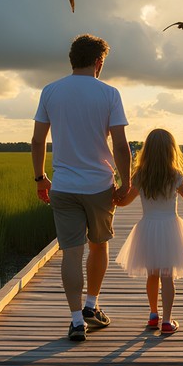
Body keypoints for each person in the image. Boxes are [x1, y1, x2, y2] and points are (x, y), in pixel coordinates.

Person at [31, 33, 132, 342]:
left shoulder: (51, 91)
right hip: (100, 185)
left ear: (72, 60)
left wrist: (40, 178)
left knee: (71, 253)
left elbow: (38, 140)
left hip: (63, 185)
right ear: (99, 62)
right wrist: (127, 182)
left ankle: (76, 321)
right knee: (99, 245)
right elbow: (121, 145)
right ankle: (92, 305)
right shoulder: (109, 93)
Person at [115, 128, 183, 335]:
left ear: (147, 150)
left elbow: (124, 202)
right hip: (170, 228)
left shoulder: (141, 175)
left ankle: (153, 315)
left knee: (152, 275)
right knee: (167, 276)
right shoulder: (175, 175)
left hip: (148, 229)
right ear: (171, 150)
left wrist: (111, 196)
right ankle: (167, 321)